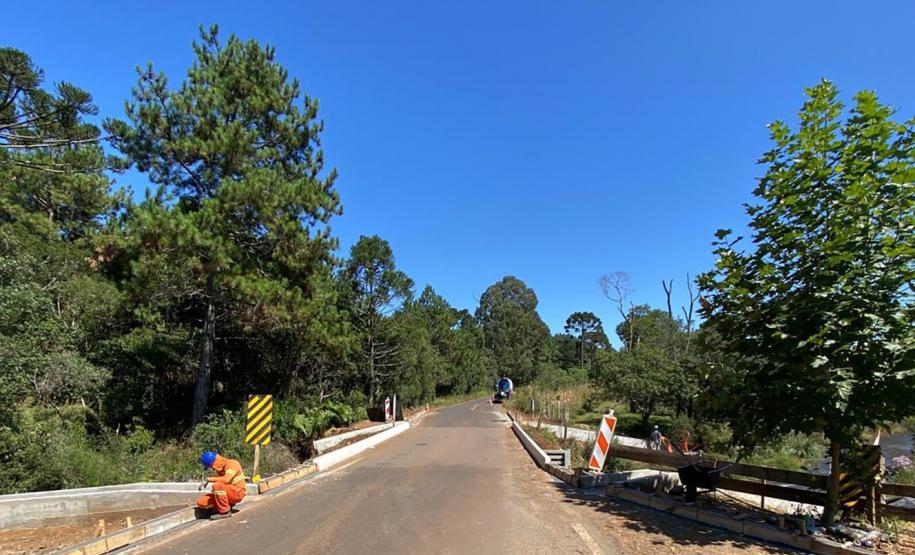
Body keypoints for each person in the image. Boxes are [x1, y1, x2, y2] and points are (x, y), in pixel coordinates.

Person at [196, 451, 246, 519]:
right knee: (202, 502)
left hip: (238, 493)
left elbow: (226, 479)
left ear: (214, 463)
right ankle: (222, 507)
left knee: (217, 486)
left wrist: (209, 479)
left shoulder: (232, 464)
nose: (212, 469)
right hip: (229, 492)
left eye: (211, 467)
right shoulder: (220, 470)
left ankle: (225, 512)